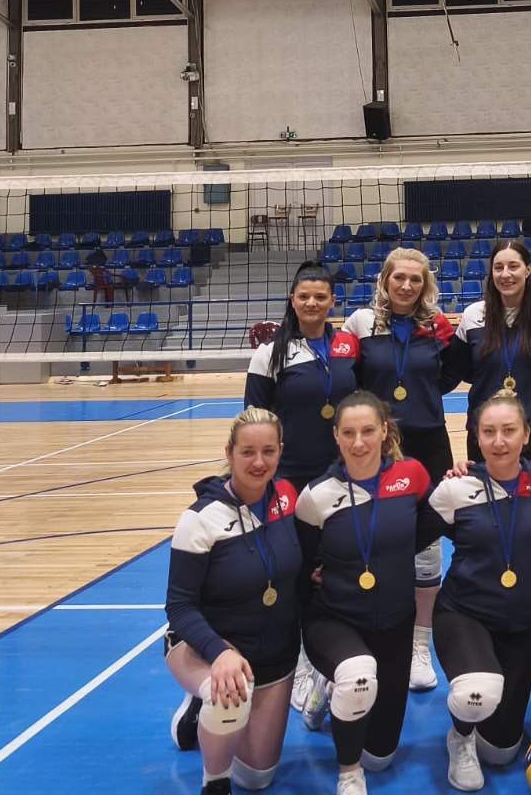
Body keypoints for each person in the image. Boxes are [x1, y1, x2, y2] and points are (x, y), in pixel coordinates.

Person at [294, 392, 444, 795]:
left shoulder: (413, 476)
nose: (358, 442)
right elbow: (302, 564)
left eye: (367, 431)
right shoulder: (316, 496)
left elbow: (427, 528)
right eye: (348, 433)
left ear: (384, 431)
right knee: (358, 678)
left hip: (394, 623)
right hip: (336, 620)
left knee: (381, 756)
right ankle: (348, 771)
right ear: (336, 436)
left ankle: (330, 689)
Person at [428, 391, 531, 790]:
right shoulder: (455, 489)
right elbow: (404, 537)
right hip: (465, 612)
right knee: (476, 695)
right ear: (476, 436)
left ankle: (500, 697)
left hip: (522, 621)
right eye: (488, 432)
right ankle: (459, 738)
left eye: (508, 430)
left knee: (502, 751)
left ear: (526, 434)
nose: (499, 441)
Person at [165, 408, 302, 795]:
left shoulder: (288, 498)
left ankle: (206, 708)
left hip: (274, 653)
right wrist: (218, 652)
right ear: (229, 453)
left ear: (280, 451)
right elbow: (179, 607)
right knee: (226, 697)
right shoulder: (199, 520)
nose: (259, 462)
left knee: (257, 779)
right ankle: (214, 779)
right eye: (247, 452)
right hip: (208, 645)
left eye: (268, 451)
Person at [343, 248, 459, 690]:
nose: (407, 286)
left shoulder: (438, 326)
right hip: (376, 442)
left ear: (425, 284)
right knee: (372, 535)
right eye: (399, 278)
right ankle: (371, 634)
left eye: (416, 279)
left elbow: (448, 376)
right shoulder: (362, 323)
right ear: (385, 280)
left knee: (426, 541)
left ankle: (419, 644)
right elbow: (350, 377)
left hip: (428, 441)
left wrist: (420, 395)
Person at [452, 241, 531, 465]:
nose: (505, 274)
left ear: (528, 270)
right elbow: (454, 371)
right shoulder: (473, 315)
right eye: (498, 267)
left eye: (513, 266)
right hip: (486, 431)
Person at [244, 264, 359, 490]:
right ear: (292, 300)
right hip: (289, 472)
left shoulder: (349, 345)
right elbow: (254, 418)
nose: (311, 303)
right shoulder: (269, 353)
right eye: (303, 296)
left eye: (320, 297)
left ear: (333, 301)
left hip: (344, 467)